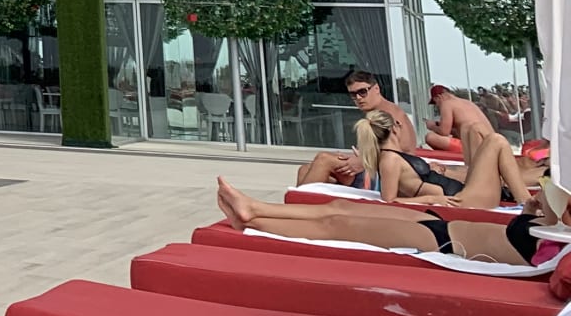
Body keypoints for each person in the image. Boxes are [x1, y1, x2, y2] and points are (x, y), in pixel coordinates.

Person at [215, 176, 559, 267]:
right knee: (341, 207)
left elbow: (542, 261)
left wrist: (545, 208)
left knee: (338, 226)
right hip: (440, 224)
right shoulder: (555, 231)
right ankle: (254, 206)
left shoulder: (558, 247)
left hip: (446, 244)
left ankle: (252, 221)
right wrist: (529, 212)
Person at [297, 67, 433, 185]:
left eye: (363, 92)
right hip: (377, 169)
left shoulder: (386, 115)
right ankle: (302, 203)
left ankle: (299, 205)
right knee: (305, 170)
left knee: (323, 159)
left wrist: (362, 162)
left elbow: (398, 152)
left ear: (376, 89)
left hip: (388, 176)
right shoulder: (380, 111)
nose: (358, 98)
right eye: (353, 94)